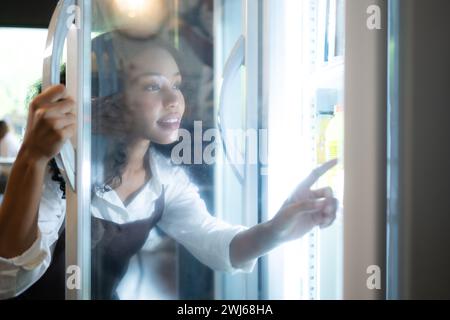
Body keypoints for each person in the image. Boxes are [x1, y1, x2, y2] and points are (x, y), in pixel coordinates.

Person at [0, 32, 338, 300]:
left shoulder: (164, 179)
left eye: (175, 84)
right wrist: (32, 157)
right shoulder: (62, 169)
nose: (174, 99)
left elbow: (216, 242)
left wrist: (278, 228)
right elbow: (8, 277)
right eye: (152, 85)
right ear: (107, 94)